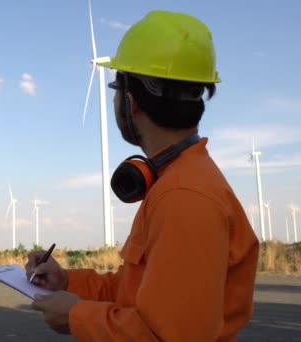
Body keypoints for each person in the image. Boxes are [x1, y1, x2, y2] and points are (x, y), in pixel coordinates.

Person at [26, 10, 259, 341]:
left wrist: (75, 316)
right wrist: (67, 283)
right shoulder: (178, 181)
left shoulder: (184, 197)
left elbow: (170, 336)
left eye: (115, 87)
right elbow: (136, 292)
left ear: (131, 101)